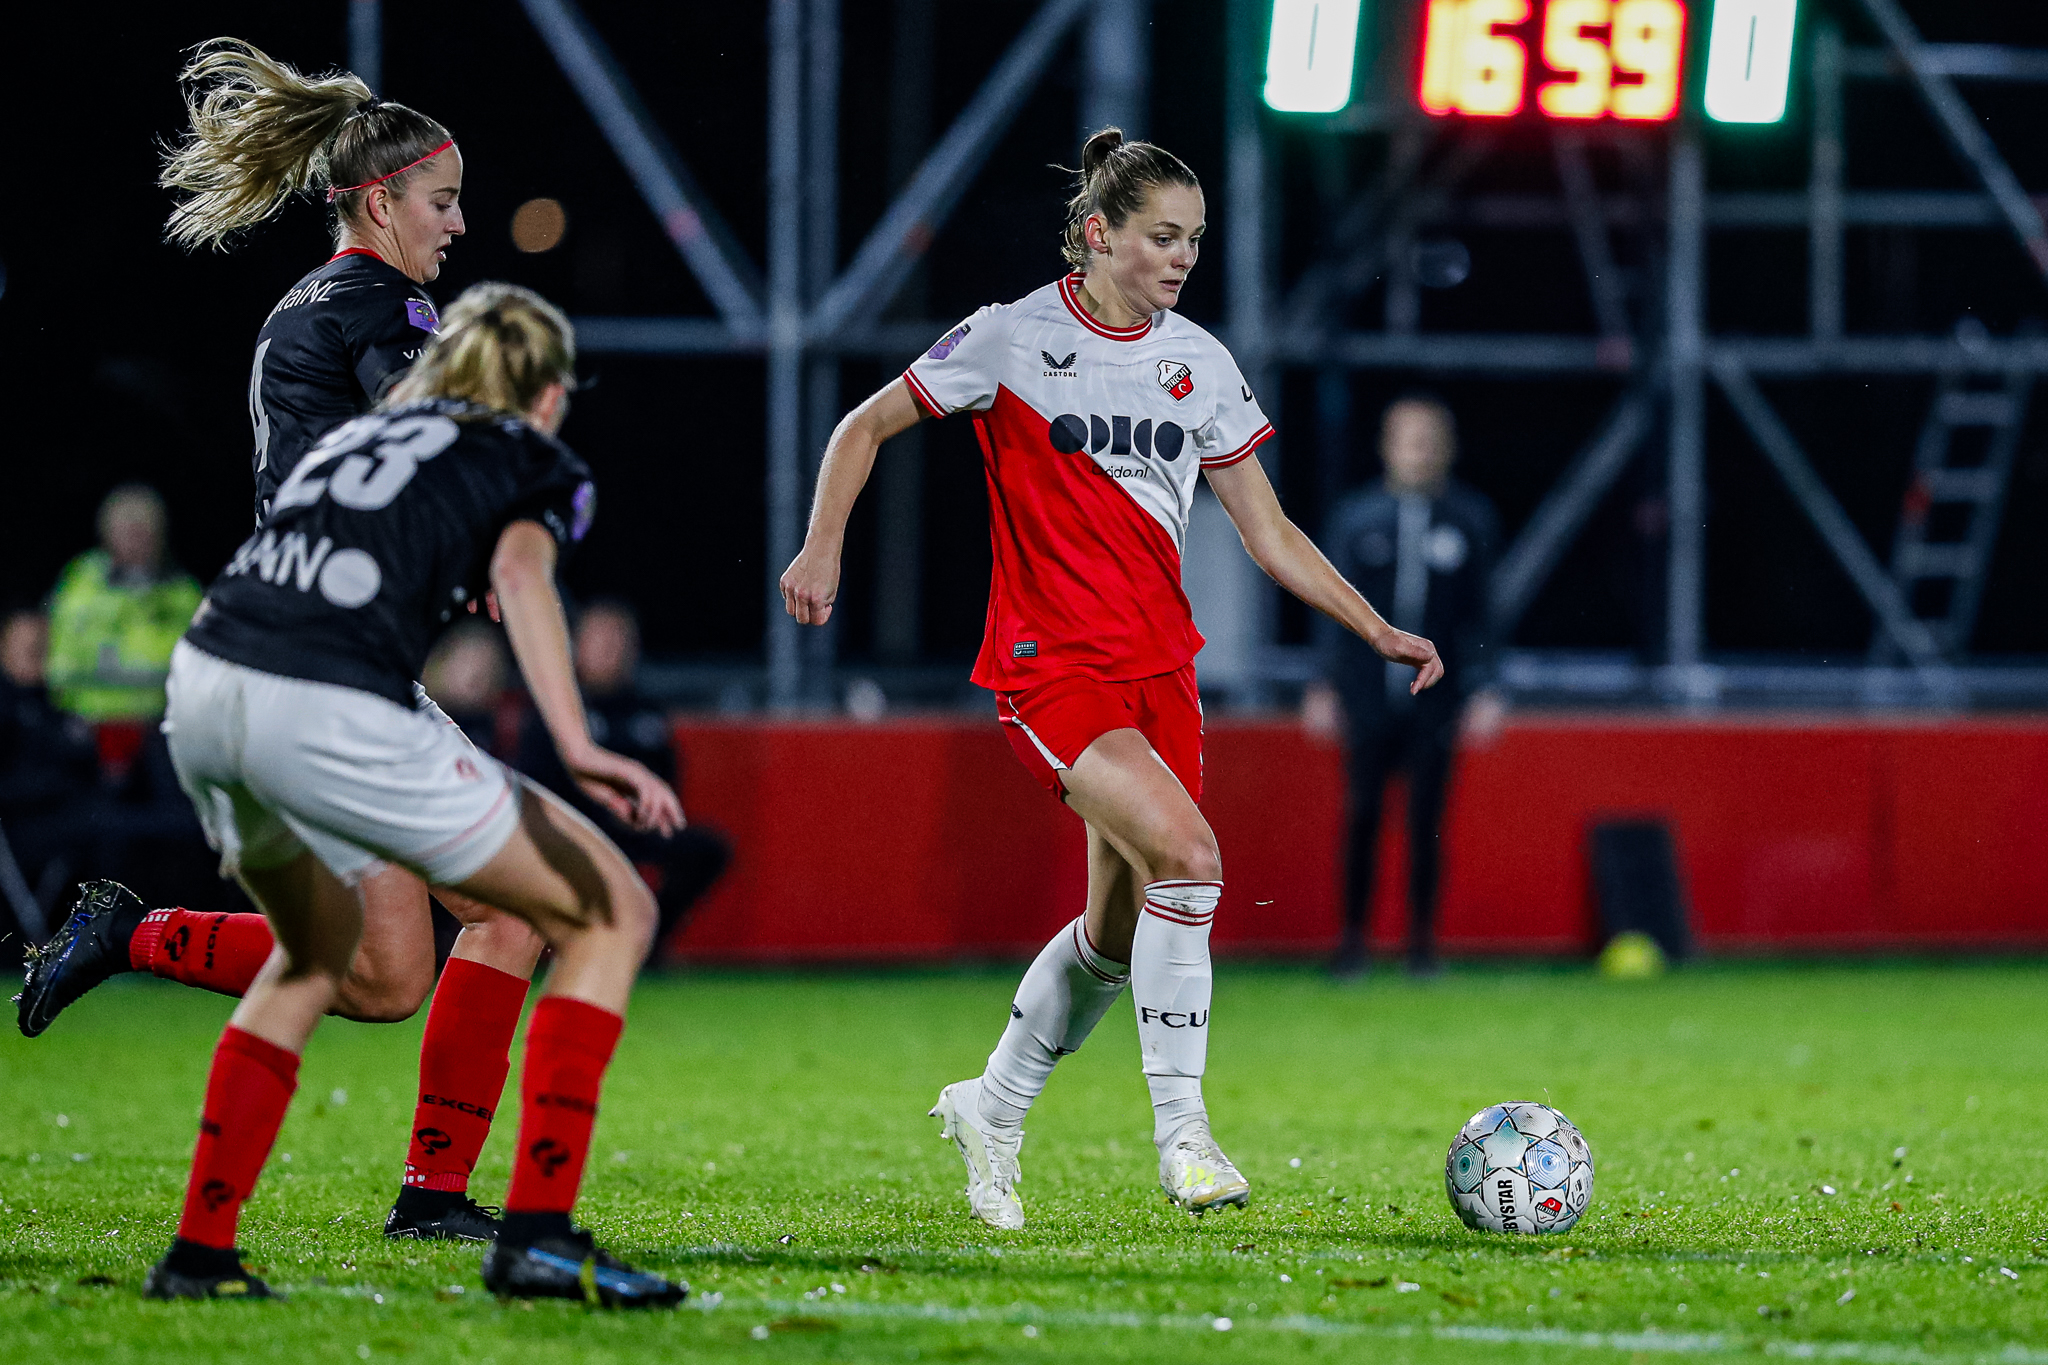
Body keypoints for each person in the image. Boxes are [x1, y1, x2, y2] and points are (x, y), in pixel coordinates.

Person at [780, 128, 1443, 1229]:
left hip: (1157, 675)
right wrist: (821, 545)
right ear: (1097, 234)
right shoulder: (1007, 338)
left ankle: (992, 1102)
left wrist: (1374, 628)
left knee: (1119, 933)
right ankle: (1183, 1136)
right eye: (1159, 237)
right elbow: (864, 425)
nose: (1180, 258)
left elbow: (1268, 534)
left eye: (1192, 239)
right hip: (1050, 670)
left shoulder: (1198, 362)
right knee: (1190, 858)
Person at [13, 38, 545, 1247]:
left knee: (388, 976)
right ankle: (433, 1199)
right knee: (519, 911)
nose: (459, 224)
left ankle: (128, 932)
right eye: (443, 200)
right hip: (325, 669)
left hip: (294, 664)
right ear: (375, 200)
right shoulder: (379, 301)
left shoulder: (304, 305)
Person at [142, 283, 686, 1306]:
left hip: (209, 687)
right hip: (327, 699)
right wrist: (579, 742)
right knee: (607, 910)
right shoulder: (532, 458)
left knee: (319, 960)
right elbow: (523, 583)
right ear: (550, 391)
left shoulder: (364, 440)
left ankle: (200, 1255)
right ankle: (536, 1238)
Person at [1308, 396, 1502, 979]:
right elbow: (1330, 611)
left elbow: (1484, 614)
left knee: (1428, 821)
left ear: (1447, 448)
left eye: (1428, 440)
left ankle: (1421, 945)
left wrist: (1487, 687)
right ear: (1386, 446)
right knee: (1362, 815)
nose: (1418, 451)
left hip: (1438, 700)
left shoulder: (1469, 520)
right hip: (1367, 694)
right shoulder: (1355, 518)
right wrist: (1323, 684)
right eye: (1407, 439)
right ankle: (1352, 944)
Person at [514, 601, 730, 966]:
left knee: (704, 848)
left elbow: (667, 776)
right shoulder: (555, 705)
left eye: (619, 641)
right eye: (600, 640)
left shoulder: (644, 709)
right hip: (572, 826)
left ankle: (646, 946)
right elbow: (534, 781)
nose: (610, 650)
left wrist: (642, 811)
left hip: (633, 828)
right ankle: (557, 948)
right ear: (574, 645)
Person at [45, 487, 203, 723]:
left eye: (142, 531)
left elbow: (196, 669)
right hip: (88, 723)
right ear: (107, 534)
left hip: (159, 724)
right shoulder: (81, 583)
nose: (134, 540)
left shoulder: (183, 593)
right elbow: (59, 660)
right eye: (126, 531)